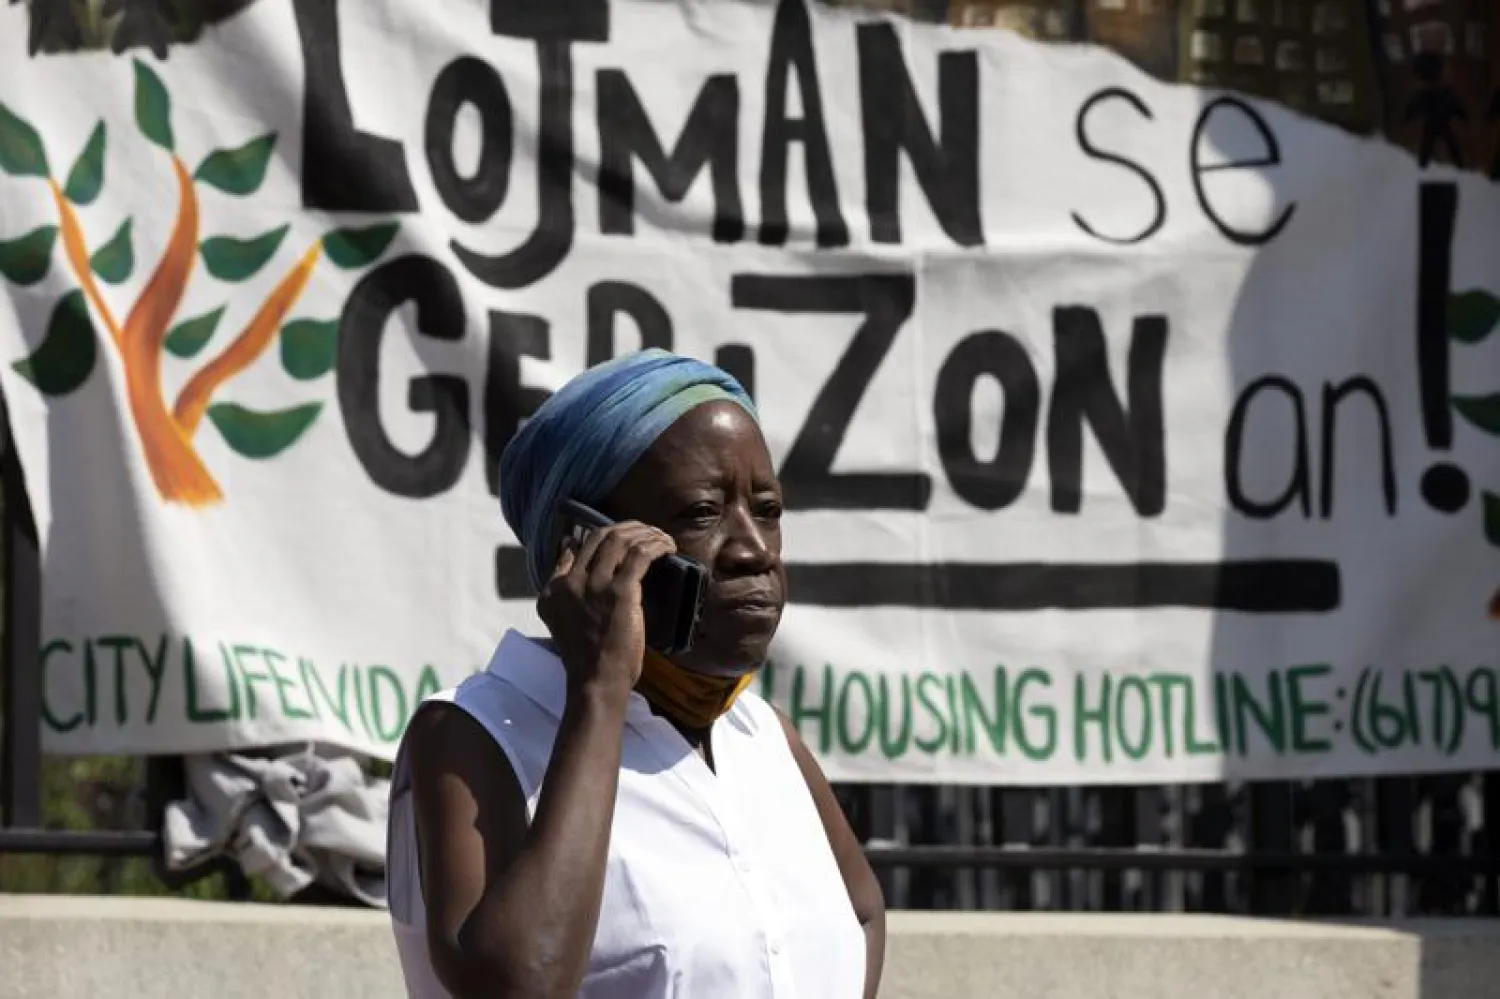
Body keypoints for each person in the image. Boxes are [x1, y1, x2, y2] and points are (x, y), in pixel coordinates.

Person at [386, 349, 885, 999]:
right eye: (702, 513)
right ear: (584, 541)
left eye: (766, 509)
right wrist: (600, 686)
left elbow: (864, 911)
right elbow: (517, 985)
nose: (754, 549)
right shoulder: (472, 734)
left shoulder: (761, 735)